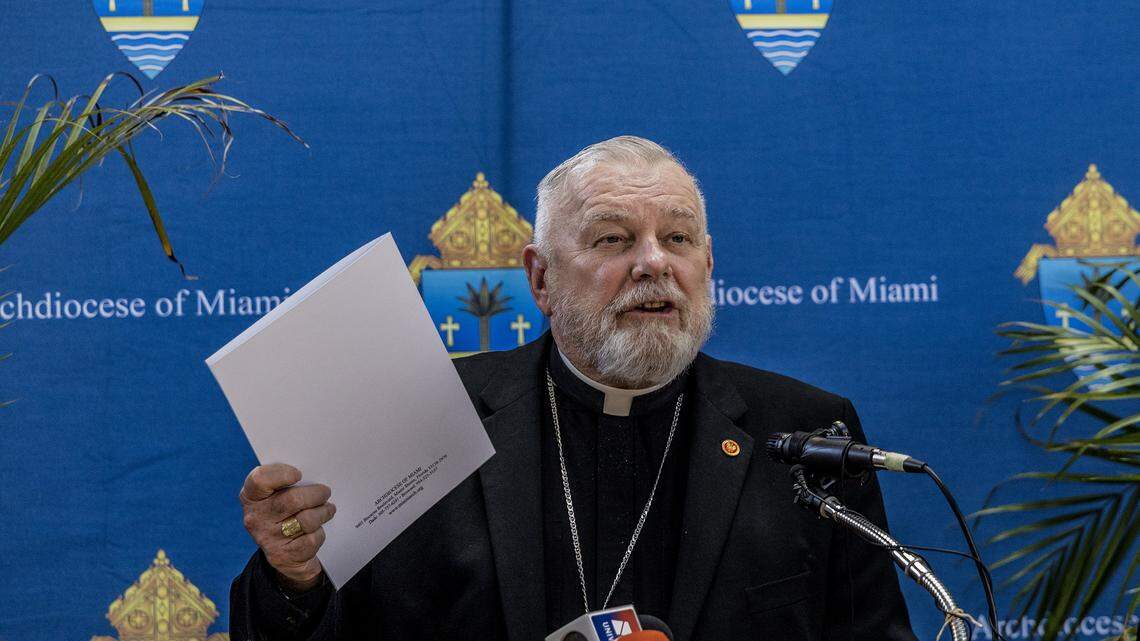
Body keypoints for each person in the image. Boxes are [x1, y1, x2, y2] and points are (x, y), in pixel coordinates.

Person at [230, 136, 917, 641]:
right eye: (614, 239)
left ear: (707, 264)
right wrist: (294, 574)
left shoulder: (807, 430)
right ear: (539, 278)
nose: (653, 263)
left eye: (677, 238)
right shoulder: (423, 416)